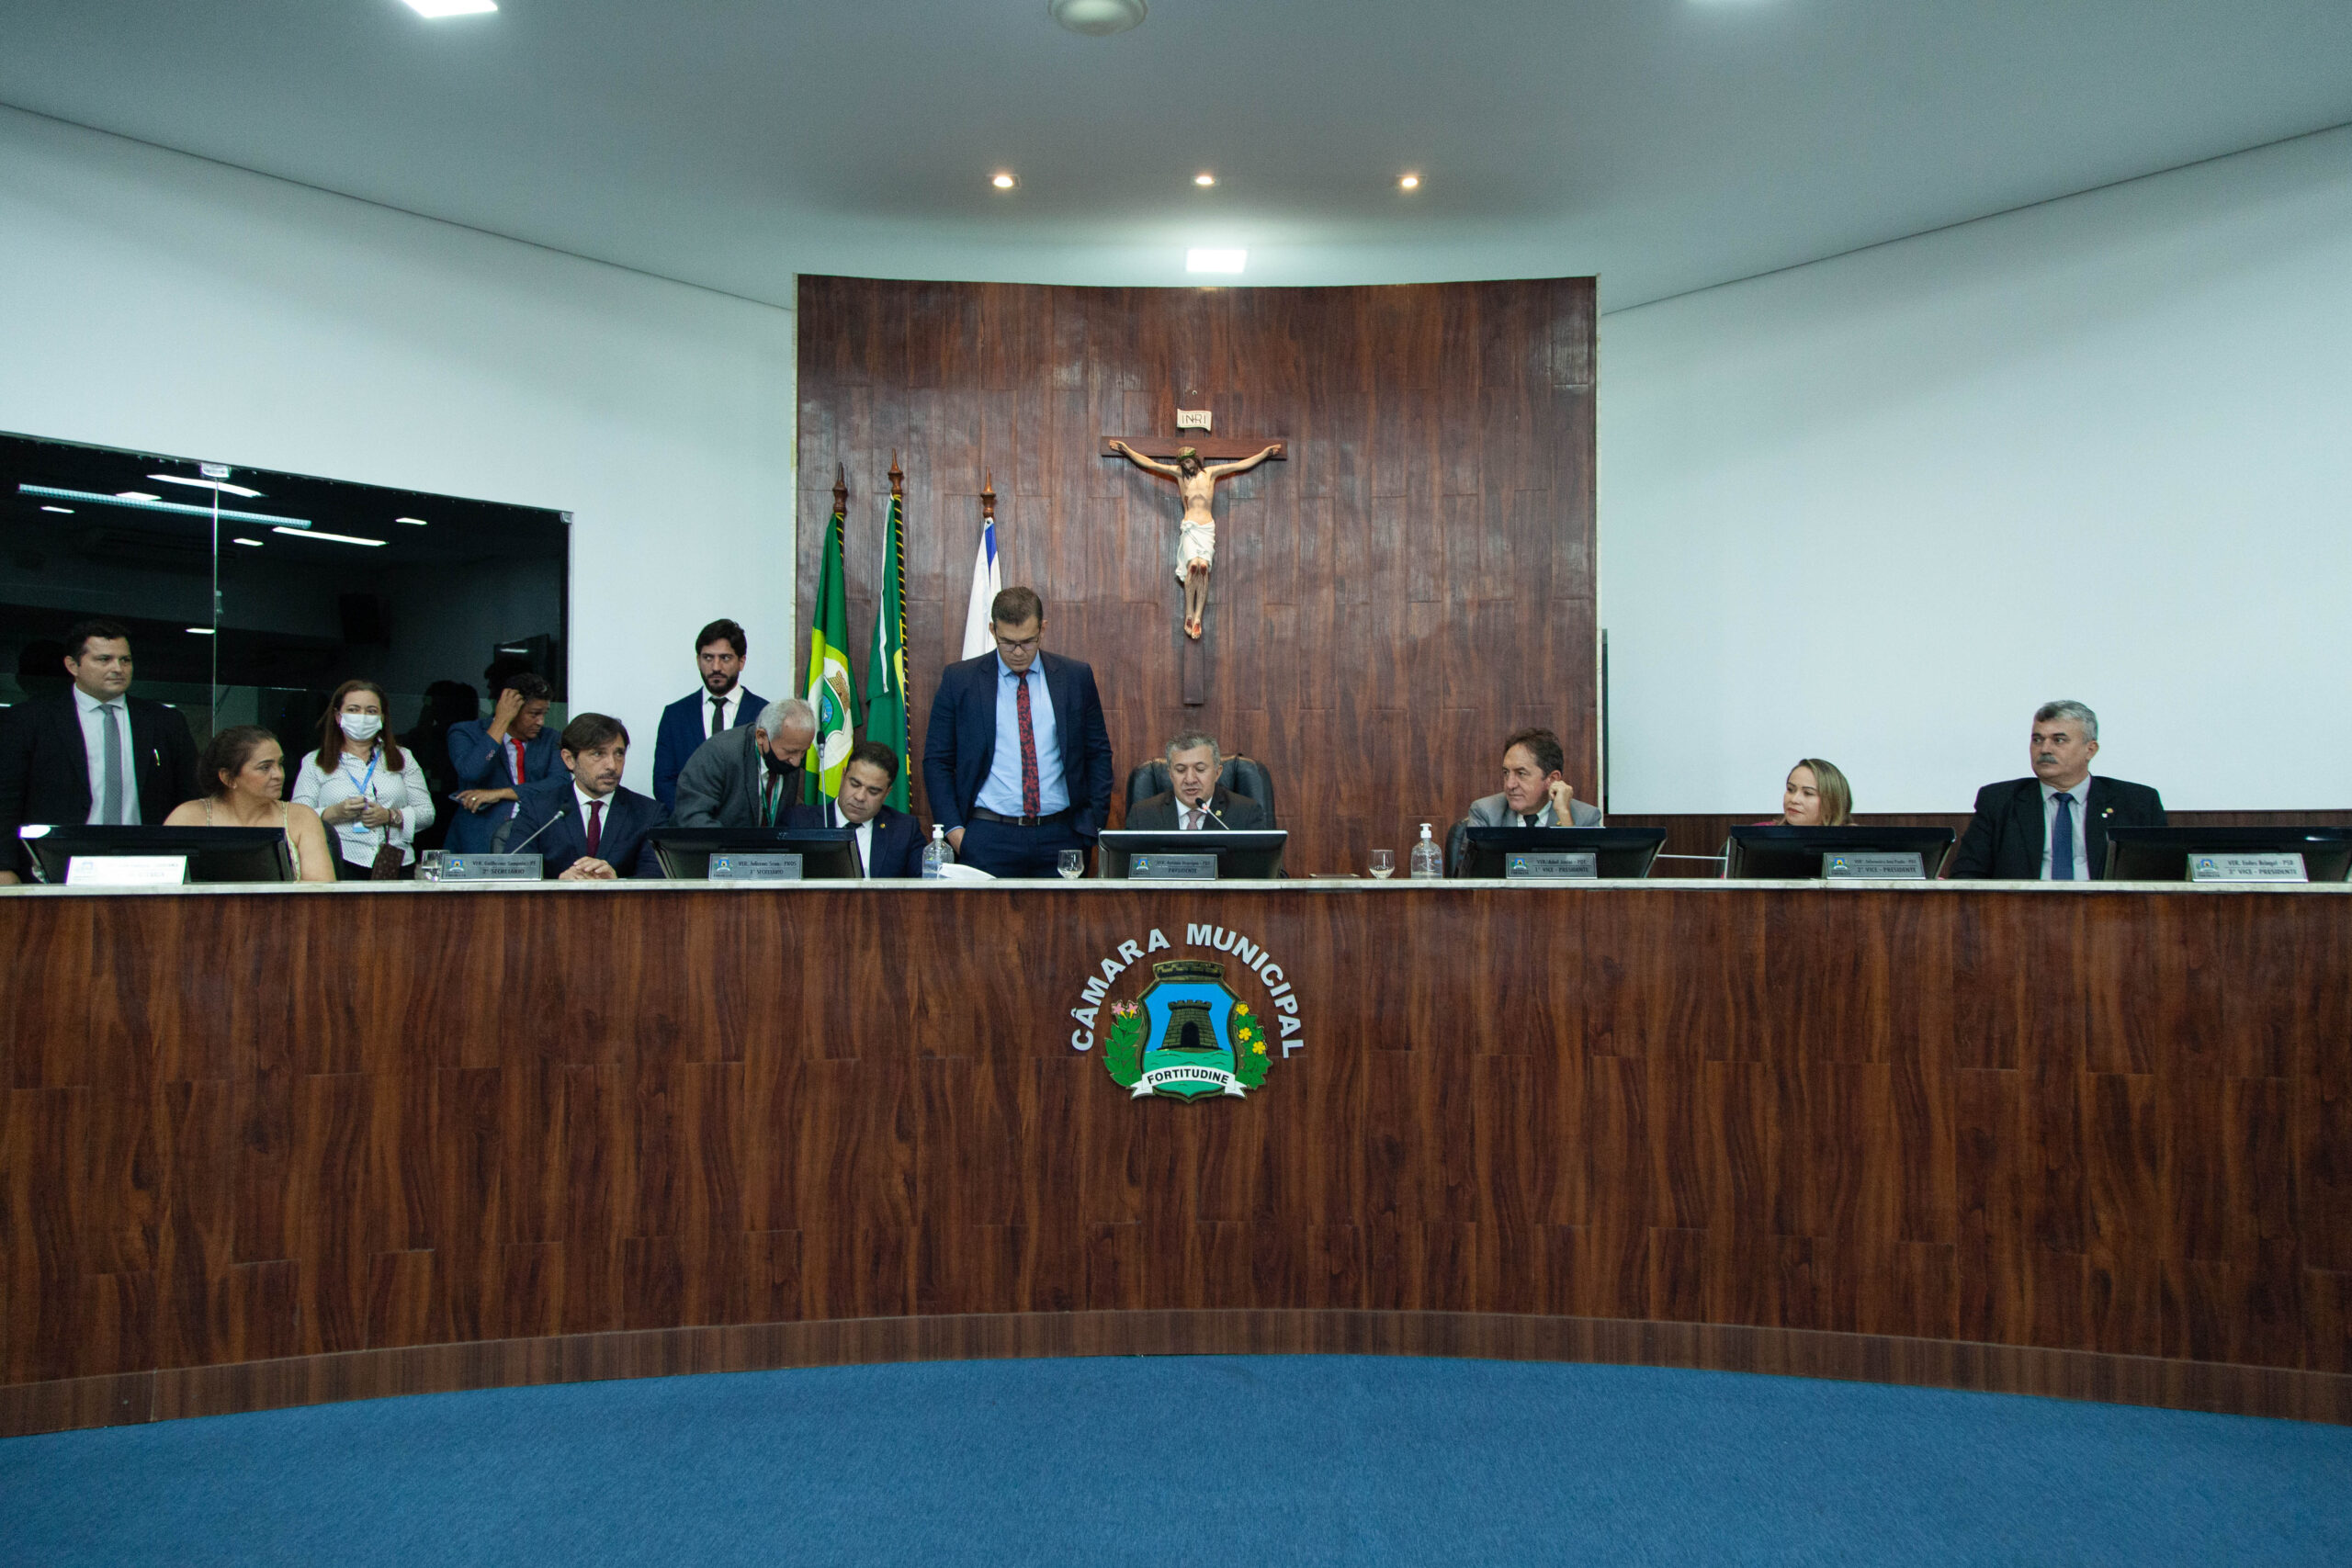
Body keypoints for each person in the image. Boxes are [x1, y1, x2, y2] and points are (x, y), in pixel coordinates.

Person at [922, 585, 1114, 878]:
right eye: (1008, 643)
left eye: (1027, 641)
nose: (1018, 652)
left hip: (1061, 835)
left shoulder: (1075, 677)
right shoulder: (960, 680)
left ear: (1042, 629)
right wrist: (956, 831)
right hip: (987, 835)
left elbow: (1098, 753)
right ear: (993, 630)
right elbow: (937, 760)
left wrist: (1091, 824)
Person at [0, 618, 201, 884]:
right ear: (73, 665)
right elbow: (7, 798)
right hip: (57, 865)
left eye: (125, 660)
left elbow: (189, 796)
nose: (118, 668)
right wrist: (4, 866)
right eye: (104, 659)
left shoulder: (164, 721)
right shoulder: (30, 719)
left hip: (147, 867)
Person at [1951, 701, 2166, 880]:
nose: (2044, 749)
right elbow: (1967, 876)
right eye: (2037, 739)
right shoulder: (1999, 801)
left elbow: (2160, 879)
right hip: (2022, 913)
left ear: (2090, 750)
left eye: (2059, 740)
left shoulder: (2137, 802)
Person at [1108, 440, 1283, 639]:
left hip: (1206, 528)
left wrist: (1264, 454)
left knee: (1203, 568)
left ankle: (1198, 616)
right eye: (1183, 463)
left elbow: (1240, 465)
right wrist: (1127, 450)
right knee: (1193, 566)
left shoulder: (1210, 474)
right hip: (1190, 526)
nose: (1186, 466)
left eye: (1188, 462)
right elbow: (1151, 464)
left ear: (1195, 459)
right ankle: (1189, 613)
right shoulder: (1179, 475)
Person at [291, 680, 437, 878]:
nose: (362, 716)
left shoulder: (403, 757)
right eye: (353, 709)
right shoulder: (314, 761)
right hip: (340, 861)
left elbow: (426, 813)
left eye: (371, 711)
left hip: (395, 862)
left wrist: (390, 816)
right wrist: (334, 813)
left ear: (382, 718)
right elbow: (297, 817)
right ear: (338, 716)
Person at [498, 714, 668, 879]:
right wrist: (559, 884)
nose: (612, 765)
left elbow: (658, 876)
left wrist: (617, 883)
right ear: (569, 759)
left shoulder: (649, 813)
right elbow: (515, 871)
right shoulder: (537, 809)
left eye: (619, 754)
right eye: (598, 754)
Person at [161, 725, 334, 883]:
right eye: (265, 767)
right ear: (228, 778)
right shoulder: (188, 817)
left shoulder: (302, 817)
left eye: (280, 764)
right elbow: (163, 886)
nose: (279, 775)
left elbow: (320, 892)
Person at [652, 619, 769, 813]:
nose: (716, 667)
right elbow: (663, 783)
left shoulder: (764, 713)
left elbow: (770, 782)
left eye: (725, 658)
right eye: (708, 658)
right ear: (698, 660)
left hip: (745, 828)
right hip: (690, 826)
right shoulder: (675, 715)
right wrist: (695, 819)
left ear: (741, 661)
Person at [445, 671, 559, 853]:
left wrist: (499, 793)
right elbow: (471, 771)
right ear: (511, 710)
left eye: (544, 714)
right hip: (481, 838)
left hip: (536, 835)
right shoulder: (465, 732)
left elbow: (559, 783)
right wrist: (501, 721)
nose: (540, 722)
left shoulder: (550, 739)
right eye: (534, 714)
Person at [786, 739, 924, 877]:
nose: (860, 797)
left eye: (873, 791)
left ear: (886, 793)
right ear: (843, 776)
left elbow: (925, 883)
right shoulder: (800, 821)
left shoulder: (904, 831)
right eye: (854, 784)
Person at [674, 696, 816, 828]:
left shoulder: (788, 758)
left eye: (803, 752)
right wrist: (731, 846)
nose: (797, 762)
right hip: (718, 845)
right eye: (790, 751)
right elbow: (690, 816)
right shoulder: (720, 753)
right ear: (761, 736)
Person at [1125, 731, 1271, 831]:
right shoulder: (1143, 815)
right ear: (1170, 775)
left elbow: (1264, 866)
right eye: (1180, 770)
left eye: (1200, 769)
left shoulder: (1245, 813)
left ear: (1217, 773)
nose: (1190, 779)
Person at [1466, 728, 1601, 829]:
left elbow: (1579, 859)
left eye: (1521, 773)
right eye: (1506, 772)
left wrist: (1564, 815)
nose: (1510, 785)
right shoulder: (1486, 813)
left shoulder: (1585, 817)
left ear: (1552, 779)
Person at [399, 680, 478, 853]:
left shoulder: (468, 735)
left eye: (432, 703)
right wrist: (424, 723)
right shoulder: (420, 736)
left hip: (459, 804)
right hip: (428, 801)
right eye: (428, 704)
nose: (429, 708)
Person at [1768, 759, 1854, 827]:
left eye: (1808, 793)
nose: (1794, 800)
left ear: (1832, 801)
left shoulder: (1854, 840)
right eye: (1790, 790)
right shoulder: (1763, 833)